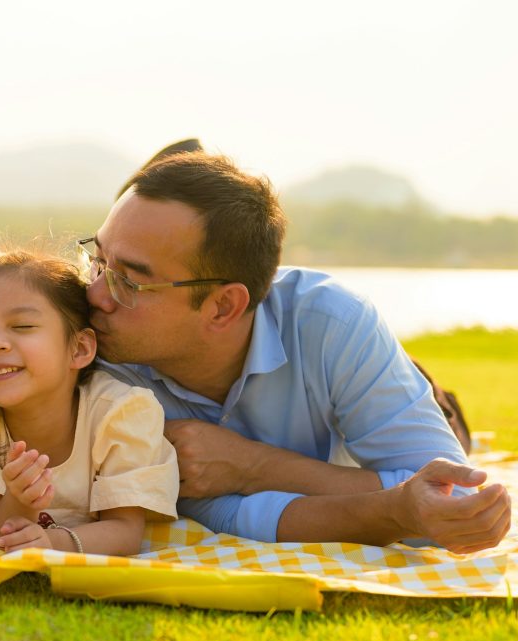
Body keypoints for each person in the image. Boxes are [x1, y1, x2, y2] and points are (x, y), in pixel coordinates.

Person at [82, 149, 511, 553]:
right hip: (356, 458)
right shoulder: (98, 354)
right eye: (98, 261)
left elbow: (454, 504)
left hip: (354, 400)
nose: (95, 293)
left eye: (130, 282)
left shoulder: (331, 322)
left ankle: (435, 397)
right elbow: (221, 513)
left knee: (450, 433)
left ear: (223, 306)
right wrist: (398, 508)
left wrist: (254, 466)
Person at [0, 250, 179, 555]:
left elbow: (125, 530)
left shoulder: (119, 412)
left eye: (22, 326)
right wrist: (19, 502)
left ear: (79, 349)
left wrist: (53, 543)